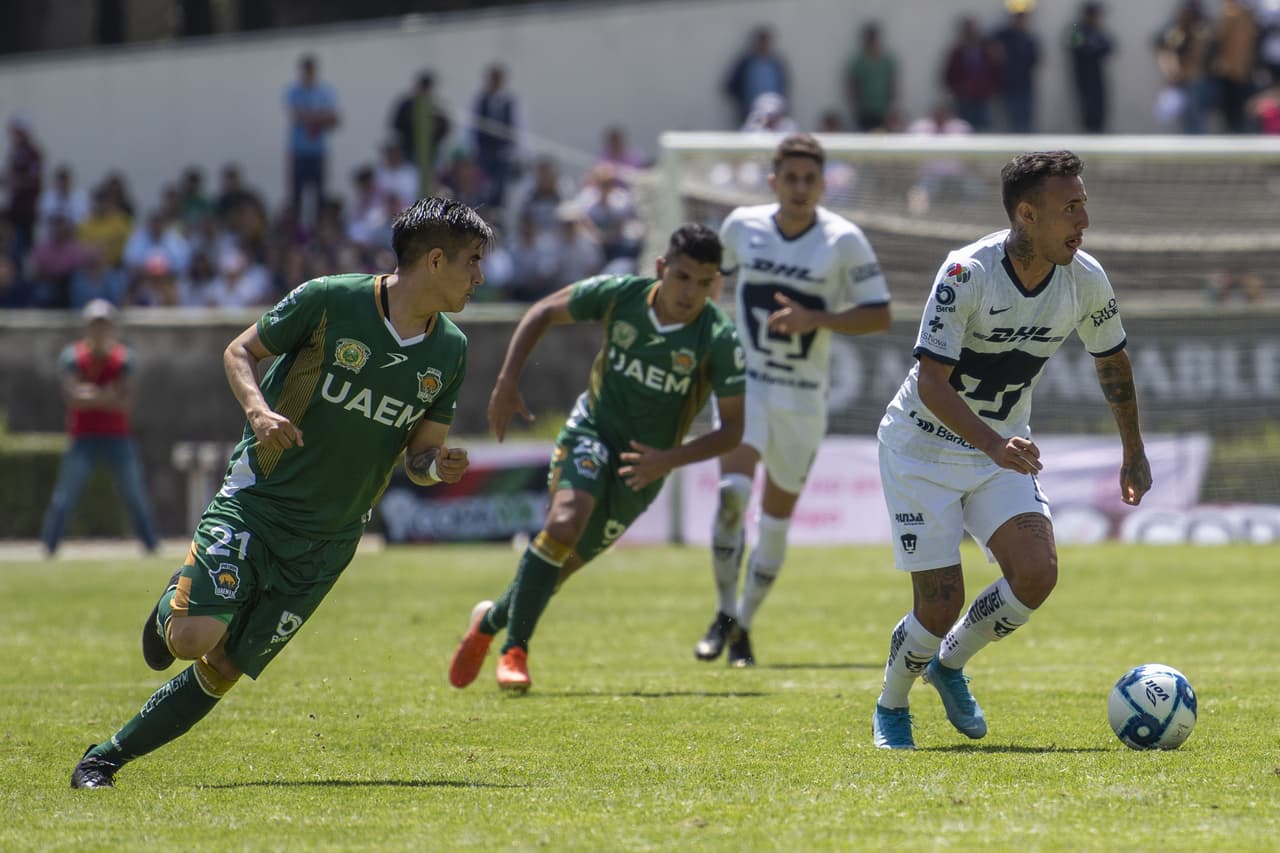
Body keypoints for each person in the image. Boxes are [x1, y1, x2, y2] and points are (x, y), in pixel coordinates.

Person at [70, 197, 494, 788]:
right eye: (473, 261)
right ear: (436, 259)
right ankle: (173, 603)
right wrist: (259, 411)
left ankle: (103, 759)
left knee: (222, 669)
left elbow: (419, 457)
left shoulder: (451, 349)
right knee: (194, 638)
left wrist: (435, 470)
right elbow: (239, 350)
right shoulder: (330, 300)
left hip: (330, 539)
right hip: (259, 502)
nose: (480, 276)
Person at [870, 150, 1152, 750]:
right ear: (1026, 215)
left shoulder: (1085, 278)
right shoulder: (965, 273)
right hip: (921, 451)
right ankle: (891, 706)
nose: (1083, 220)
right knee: (939, 602)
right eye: (1069, 208)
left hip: (1000, 454)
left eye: (1084, 205)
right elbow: (931, 383)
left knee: (1036, 573)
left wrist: (1133, 449)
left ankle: (948, 666)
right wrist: (996, 444)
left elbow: (1113, 362)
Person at [448, 223, 746, 693]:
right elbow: (543, 311)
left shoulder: (719, 340)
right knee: (564, 525)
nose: (691, 292)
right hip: (592, 432)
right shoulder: (622, 295)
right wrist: (507, 381)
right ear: (661, 269)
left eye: (705, 283)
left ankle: (489, 622)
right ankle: (514, 651)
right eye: (683, 277)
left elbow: (733, 432)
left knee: (558, 569)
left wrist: (666, 459)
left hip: (644, 468)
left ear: (717, 284)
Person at [692, 134, 891, 668]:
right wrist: (708, 335)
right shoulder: (742, 226)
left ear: (823, 184)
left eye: (810, 180)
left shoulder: (843, 240)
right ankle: (722, 610)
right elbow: (711, 279)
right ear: (773, 180)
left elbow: (879, 313)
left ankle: (743, 627)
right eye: (791, 178)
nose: (800, 188)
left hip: (804, 399)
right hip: (748, 383)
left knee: (775, 523)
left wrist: (817, 319)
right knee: (733, 495)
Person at [40, 299, 158, 557]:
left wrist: (89, 395)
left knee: (135, 495)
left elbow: (124, 402)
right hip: (82, 436)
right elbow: (73, 398)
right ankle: (49, 547)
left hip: (117, 436)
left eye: (104, 325)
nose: (100, 331)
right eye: (95, 325)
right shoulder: (73, 356)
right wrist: (106, 395)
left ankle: (150, 545)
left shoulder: (123, 358)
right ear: (87, 328)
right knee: (64, 496)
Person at [284, 54, 340, 228]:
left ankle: (318, 230)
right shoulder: (294, 91)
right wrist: (320, 116)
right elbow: (296, 115)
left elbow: (334, 120)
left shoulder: (326, 91)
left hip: (318, 152)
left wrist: (312, 116)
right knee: (297, 197)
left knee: (320, 197)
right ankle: (297, 233)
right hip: (299, 152)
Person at [389, 70, 451, 197]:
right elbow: (396, 125)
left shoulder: (435, 106)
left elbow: (445, 128)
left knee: (430, 183)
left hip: (431, 154)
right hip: (409, 151)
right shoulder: (407, 105)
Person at [1066, 2, 1115, 134]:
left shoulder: (1097, 31)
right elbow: (1076, 46)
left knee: (1100, 106)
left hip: (1096, 74)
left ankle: (1097, 132)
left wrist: (1092, 47)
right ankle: (1089, 132)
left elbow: (1109, 47)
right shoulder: (1077, 29)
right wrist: (1092, 47)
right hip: (1082, 75)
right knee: (1087, 107)